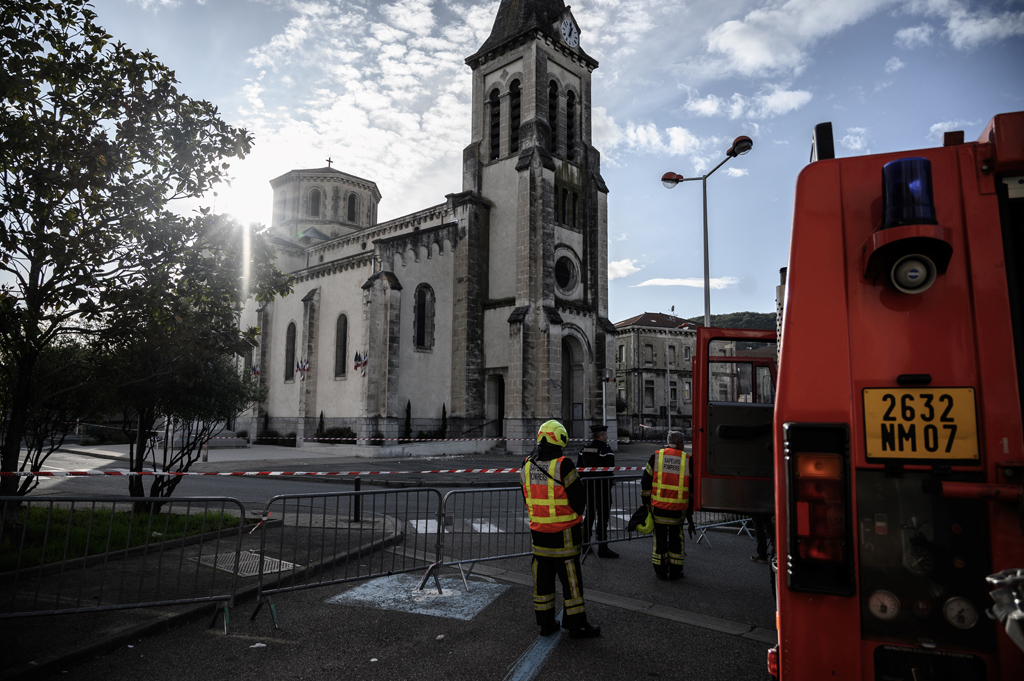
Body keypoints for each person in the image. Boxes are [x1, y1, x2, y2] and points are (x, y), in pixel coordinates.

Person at [520, 420, 601, 639]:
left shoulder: (527, 463)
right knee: (571, 583)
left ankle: (546, 624)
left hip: (539, 535)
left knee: (542, 582)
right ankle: (576, 625)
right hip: (564, 535)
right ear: (560, 438)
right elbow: (579, 501)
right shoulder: (563, 464)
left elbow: (525, 496)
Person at [640, 430, 696, 580]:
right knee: (676, 539)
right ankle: (676, 571)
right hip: (678, 509)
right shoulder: (687, 459)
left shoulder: (657, 457)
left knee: (659, 539)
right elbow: (692, 487)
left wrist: (645, 502)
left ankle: (660, 571)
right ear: (680, 443)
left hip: (658, 508)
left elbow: (646, 481)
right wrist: (691, 507)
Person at [577, 424, 618, 558]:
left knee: (589, 516)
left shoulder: (584, 449)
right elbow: (609, 469)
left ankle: (585, 544)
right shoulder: (605, 449)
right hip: (603, 488)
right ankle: (603, 547)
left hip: (588, 487)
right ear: (601, 436)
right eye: (605, 435)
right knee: (603, 517)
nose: (607, 437)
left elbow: (579, 468)